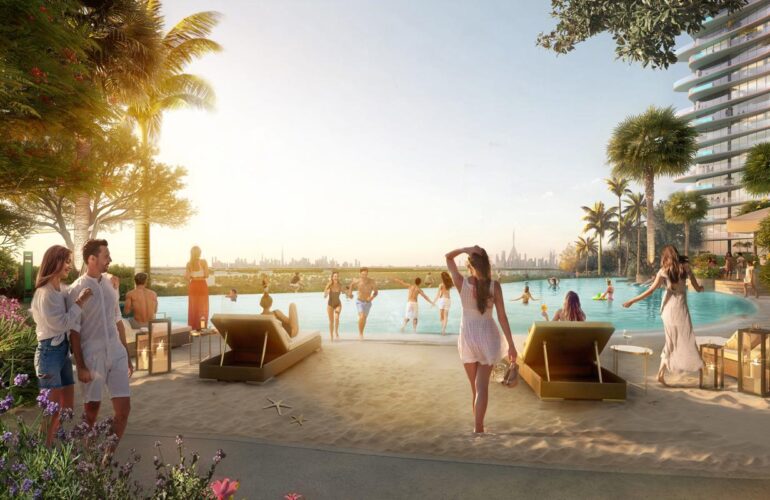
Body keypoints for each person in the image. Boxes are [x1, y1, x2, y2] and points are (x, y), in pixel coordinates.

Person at [68, 239, 133, 453]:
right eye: (106, 256)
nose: (110, 260)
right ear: (92, 259)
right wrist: (81, 366)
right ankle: (87, 459)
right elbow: (74, 332)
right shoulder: (75, 290)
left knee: (123, 411)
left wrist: (126, 352)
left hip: (117, 353)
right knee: (91, 412)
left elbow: (117, 319)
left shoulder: (110, 285)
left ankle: (105, 460)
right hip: (92, 355)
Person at [446, 245, 517, 434]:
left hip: (468, 337)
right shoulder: (495, 286)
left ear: (470, 265)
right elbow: (502, 317)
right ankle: (479, 427)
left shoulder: (462, 282)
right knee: (482, 387)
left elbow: (448, 258)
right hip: (488, 337)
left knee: (475, 388)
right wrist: (511, 344)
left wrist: (465, 249)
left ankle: (478, 427)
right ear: (487, 264)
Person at [31, 245, 93, 446]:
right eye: (66, 261)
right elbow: (62, 324)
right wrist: (80, 302)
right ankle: (43, 451)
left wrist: (110, 279)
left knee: (67, 408)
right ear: (55, 261)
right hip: (48, 353)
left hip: (62, 352)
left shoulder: (61, 289)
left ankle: (57, 444)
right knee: (51, 409)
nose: (70, 266)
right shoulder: (44, 293)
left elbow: (78, 285)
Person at [623, 245, 704, 386]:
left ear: (666, 257)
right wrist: (701, 288)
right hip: (680, 309)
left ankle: (661, 374)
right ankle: (698, 367)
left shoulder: (663, 271)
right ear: (676, 254)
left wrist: (632, 300)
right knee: (685, 338)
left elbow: (650, 291)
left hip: (668, 310)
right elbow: (697, 288)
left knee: (671, 341)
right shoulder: (685, 268)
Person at [347, 267, 378, 339]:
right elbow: (351, 285)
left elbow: (376, 292)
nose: (364, 276)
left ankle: (361, 333)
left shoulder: (372, 281)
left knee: (364, 319)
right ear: (360, 274)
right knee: (361, 317)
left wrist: (371, 298)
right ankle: (360, 334)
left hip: (368, 303)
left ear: (367, 274)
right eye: (363, 274)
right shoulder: (357, 281)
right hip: (359, 301)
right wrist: (350, 294)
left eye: (366, 274)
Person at [185, 246, 210, 329]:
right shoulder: (204, 262)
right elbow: (206, 275)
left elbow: (187, 278)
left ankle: (193, 327)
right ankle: (202, 328)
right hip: (202, 285)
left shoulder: (189, 264)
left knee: (193, 307)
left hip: (193, 285)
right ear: (199, 252)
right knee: (203, 308)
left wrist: (192, 276)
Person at [323, 271, 345, 341]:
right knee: (331, 321)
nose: (336, 277)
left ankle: (336, 332)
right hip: (330, 305)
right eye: (334, 276)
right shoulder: (329, 285)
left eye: (337, 276)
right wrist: (327, 292)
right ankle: (331, 336)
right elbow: (324, 296)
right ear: (332, 277)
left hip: (338, 304)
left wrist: (348, 292)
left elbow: (344, 292)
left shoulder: (340, 285)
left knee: (336, 318)